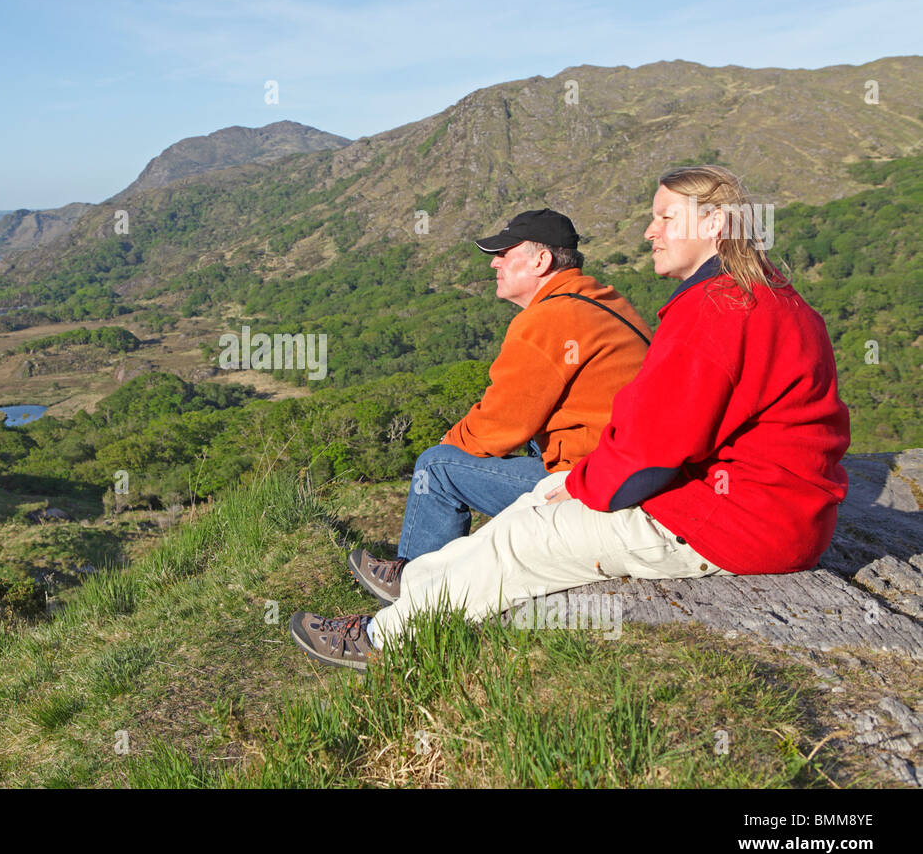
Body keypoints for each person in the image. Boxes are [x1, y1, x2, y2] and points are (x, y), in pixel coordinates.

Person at [292, 165, 851, 670]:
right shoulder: (763, 296)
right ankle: (417, 584)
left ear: (714, 224)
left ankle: (386, 641)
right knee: (538, 499)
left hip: (738, 524)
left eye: (664, 218)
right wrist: (577, 480)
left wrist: (585, 485)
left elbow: (651, 452)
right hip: (766, 510)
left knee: (525, 537)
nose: (649, 231)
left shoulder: (717, 311)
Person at [348, 207, 652, 605]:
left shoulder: (551, 317)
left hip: (591, 484)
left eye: (505, 253)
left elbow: (499, 426)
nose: (495, 263)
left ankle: (415, 597)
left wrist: (449, 442)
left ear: (541, 261)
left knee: (436, 467)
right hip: (627, 473)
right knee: (521, 449)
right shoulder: (599, 300)